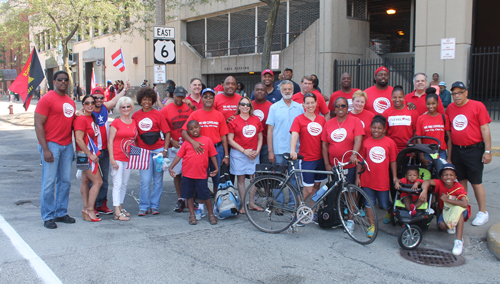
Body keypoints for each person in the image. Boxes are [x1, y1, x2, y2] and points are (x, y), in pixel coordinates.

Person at [446, 81, 492, 226]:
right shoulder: (450, 108)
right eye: (454, 93)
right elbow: (450, 132)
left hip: (474, 149)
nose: (457, 96)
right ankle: (463, 209)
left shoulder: (478, 106)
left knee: (476, 182)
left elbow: (485, 129)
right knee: (461, 182)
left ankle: (483, 212)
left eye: (460, 92)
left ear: (466, 93)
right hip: (458, 150)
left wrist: (488, 151)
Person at [34, 70, 76, 229]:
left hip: (66, 146)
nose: (63, 82)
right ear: (54, 82)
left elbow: (71, 125)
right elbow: (38, 124)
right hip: (51, 145)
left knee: (65, 182)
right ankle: (48, 216)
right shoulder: (46, 99)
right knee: (49, 182)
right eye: (60, 80)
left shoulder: (70, 101)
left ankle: (61, 212)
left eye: (66, 80)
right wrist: (45, 148)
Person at [182, 88, 229, 220]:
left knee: (216, 180)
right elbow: (184, 132)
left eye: (211, 97)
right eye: (205, 96)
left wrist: (226, 155)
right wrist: (194, 142)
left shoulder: (219, 115)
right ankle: (201, 208)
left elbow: (224, 137)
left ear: (214, 99)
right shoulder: (196, 114)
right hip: (200, 150)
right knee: (201, 180)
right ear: (201, 99)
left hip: (216, 149)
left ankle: (215, 207)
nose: (208, 99)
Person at [322, 97, 364, 232]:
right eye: (338, 106)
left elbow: (358, 139)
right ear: (334, 108)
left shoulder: (355, 121)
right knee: (335, 192)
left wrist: (354, 154)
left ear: (348, 108)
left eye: (343, 106)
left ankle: (350, 220)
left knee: (350, 193)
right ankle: (337, 217)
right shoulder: (329, 123)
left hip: (349, 165)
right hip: (334, 166)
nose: (340, 109)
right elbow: (324, 144)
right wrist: (327, 163)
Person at [89, 83, 130, 216]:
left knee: (105, 178)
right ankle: (92, 205)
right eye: (96, 97)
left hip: (105, 150)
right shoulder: (87, 111)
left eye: (101, 97)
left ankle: (102, 204)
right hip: (94, 151)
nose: (99, 100)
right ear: (91, 97)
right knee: (93, 180)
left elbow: (114, 100)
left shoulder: (105, 107)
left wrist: (124, 90)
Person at [170, 120, 219, 225]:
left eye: (196, 127)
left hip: (201, 174)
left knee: (205, 195)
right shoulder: (187, 143)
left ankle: (211, 214)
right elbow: (179, 156)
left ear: (200, 127)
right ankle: (192, 215)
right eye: (191, 129)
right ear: (188, 131)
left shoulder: (207, 140)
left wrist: (216, 167)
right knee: (189, 195)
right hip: (187, 174)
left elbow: (212, 155)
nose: (194, 130)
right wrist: (171, 167)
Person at [355, 115, 397, 235]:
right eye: (374, 128)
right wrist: (358, 177)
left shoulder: (390, 142)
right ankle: (371, 226)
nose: (376, 130)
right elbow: (360, 160)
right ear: (370, 128)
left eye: (379, 128)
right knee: (369, 203)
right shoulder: (366, 142)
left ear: (384, 130)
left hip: (382, 180)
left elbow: (393, 161)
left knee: (384, 204)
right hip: (368, 179)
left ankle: (389, 211)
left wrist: (394, 177)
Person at [132, 87, 171, 216]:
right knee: (145, 181)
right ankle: (143, 206)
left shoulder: (158, 114)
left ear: (153, 100)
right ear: (140, 100)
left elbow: (167, 132)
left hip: (158, 151)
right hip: (143, 152)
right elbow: (132, 134)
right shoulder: (136, 115)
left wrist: (165, 150)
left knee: (158, 180)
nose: (147, 102)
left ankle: (155, 206)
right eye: (144, 99)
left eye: (149, 99)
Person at [290, 93, 327, 215]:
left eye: (312, 102)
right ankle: (296, 212)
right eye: (307, 103)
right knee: (308, 189)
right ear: (303, 104)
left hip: (320, 159)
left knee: (317, 186)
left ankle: (313, 212)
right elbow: (294, 135)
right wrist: (292, 150)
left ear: (316, 103)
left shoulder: (322, 119)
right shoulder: (299, 119)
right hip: (307, 159)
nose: (310, 105)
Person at [420, 164, 469, 255]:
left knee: (459, 212)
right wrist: (424, 191)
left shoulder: (458, 187)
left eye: (451, 175)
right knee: (442, 226)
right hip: (446, 211)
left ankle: (458, 240)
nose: (448, 177)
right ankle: (452, 225)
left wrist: (447, 200)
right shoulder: (439, 183)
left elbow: (464, 203)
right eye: (445, 175)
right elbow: (427, 181)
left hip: (460, 210)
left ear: (455, 177)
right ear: (441, 177)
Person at [160, 86, 194, 212]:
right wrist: (169, 141)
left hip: (188, 145)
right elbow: (161, 129)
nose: (180, 98)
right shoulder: (165, 110)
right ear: (173, 95)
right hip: (174, 147)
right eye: (178, 95)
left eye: (182, 96)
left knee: (189, 173)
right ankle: (180, 199)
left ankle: (190, 197)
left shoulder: (189, 108)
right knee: (177, 174)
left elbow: (195, 126)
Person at [227, 97, 263, 214]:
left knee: (254, 178)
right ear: (239, 106)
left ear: (250, 107)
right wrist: (244, 151)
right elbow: (230, 139)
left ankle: (251, 203)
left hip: (253, 153)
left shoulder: (256, 119)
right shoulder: (233, 120)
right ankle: (243, 204)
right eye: (243, 104)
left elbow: (260, 136)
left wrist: (257, 151)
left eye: (248, 104)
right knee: (241, 178)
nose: (245, 106)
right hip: (239, 153)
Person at [266, 80, 304, 189]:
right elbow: (270, 130)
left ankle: (293, 204)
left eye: (289, 89)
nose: (287, 91)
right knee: (278, 178)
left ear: (293, 90)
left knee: (294, 178)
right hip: (278, 150)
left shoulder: (299, 107)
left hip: (295, 150)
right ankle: (279, 204)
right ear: (280, 91)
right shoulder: (274, 108)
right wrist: (270, 151)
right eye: (285, 89)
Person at [74, 95, 102, 222]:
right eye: (87, 103)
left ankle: (85, 209)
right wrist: (90, 154)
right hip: (85, 155)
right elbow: (79, 139)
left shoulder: (91, 117)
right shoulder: (80, 119)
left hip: (89, 154)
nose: (90, 105)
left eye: (92, 102)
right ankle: (90, 209)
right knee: (98, 182)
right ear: (83, 104)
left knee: (85, 181)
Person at [108, 97, 137, 221]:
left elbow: (134, 141)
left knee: (124, 184)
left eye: (128, 106)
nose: (126, 109)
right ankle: (117, 212)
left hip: (129, 158)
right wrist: (112, 159)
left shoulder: (134, 121)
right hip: (117, 157)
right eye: (123, 107)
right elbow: (110, 142)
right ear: (119, 109)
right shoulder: (115, 122)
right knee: (117, 183)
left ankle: (120, 207)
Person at [415, 89, 452, 174]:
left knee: (441, 174)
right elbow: (419, 139)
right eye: (428, 104)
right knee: (426, 176)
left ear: (438, 103)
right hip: (426, 152)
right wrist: (421, 156)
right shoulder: (421, 118)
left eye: (433, 103)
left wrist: (449, 157)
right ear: (425, 104)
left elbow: (449, 139)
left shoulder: (444, 118)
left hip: (440, 152)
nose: (431, 106)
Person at [382, 86, 419, 152]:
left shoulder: (412, 112)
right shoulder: (386, 113)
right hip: (391, 149)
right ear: (391, 98)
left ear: (404, 98)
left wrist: (414, 149)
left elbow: (415, 132)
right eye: (395, 97)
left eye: (400, 97)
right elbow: (384, 132)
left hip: (408, 149)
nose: (397, 100)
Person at [252, 82, 273, 164]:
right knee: (252, 172)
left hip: (266, 145)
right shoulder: (248, 105)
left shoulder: (272, 107)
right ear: (253, 92)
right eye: (257, 90)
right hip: (251, 144)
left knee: (265, 172)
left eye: (262, 90)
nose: (259, 91)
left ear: (266, 92)